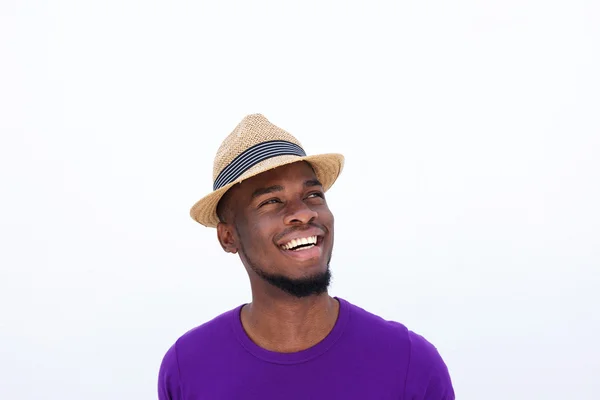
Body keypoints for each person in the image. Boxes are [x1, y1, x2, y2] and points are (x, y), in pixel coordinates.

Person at [158, 114, 455, 399]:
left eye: (313, 195)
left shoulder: (409, 363)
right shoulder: (188, 368)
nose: (303, 213)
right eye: (271, 201)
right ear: (228, 237)